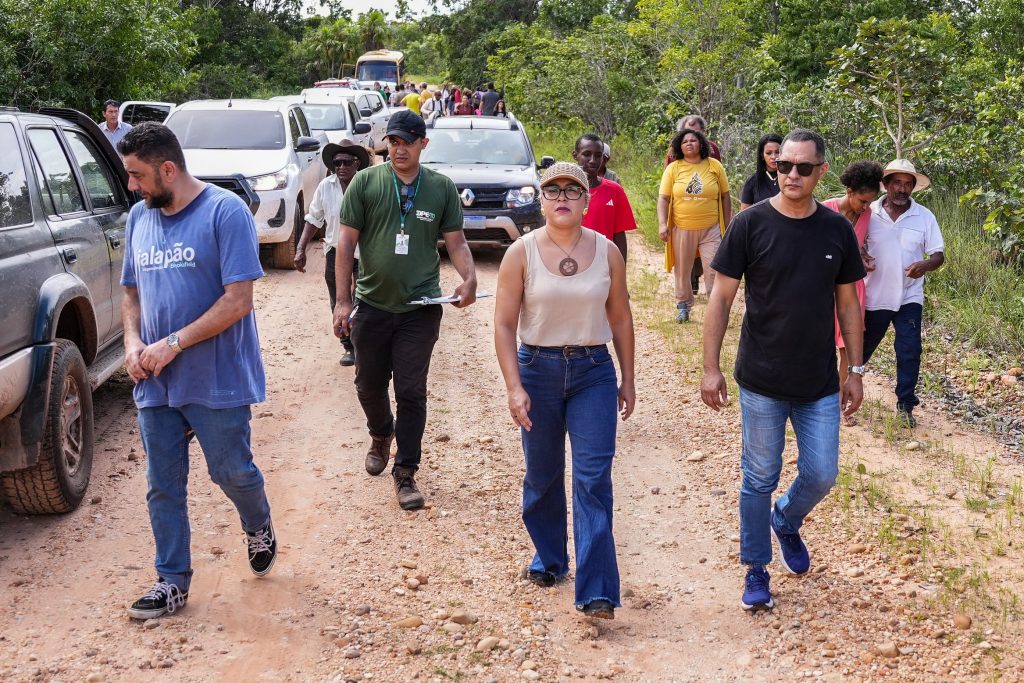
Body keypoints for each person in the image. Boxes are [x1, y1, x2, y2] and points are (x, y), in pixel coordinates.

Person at [701, 129, 865, 612]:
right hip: (762, 378)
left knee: (822, 473)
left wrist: (855, 370)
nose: (791, 174)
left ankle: (786, 519)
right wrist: (710, 367)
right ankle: (756, 567)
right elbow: (721, 298)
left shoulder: (836, 230)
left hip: (818, 381)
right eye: (783, 165)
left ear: (821, 172)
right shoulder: (750, 224)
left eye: (803, 168)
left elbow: (849, 306)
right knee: (759, 476)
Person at [117, 123, 276, 620]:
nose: (132, 186)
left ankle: (258, 521)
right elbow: (131, 292)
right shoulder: (139, 218)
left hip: (216, 376)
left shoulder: (224, 212)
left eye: (138, 176)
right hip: (155, 379)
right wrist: (132, 342)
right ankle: (171, 581)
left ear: (168, 169)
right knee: (162, 483)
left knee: (231, 471)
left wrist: (173, 343)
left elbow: (239, 300)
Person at [493, 161, 635, 621]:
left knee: (593, 478)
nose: (561, 198)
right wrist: (514, 386)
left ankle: (597, 591)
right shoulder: (521, 252)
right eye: (552, 190)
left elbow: (620, 317)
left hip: (593, 371)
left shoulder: (607, 251)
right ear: (541, 200)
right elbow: (504, 324)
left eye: (572, 190)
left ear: (586, 200)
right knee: (542, 475)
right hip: (538, 370)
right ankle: (550, 557)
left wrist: (628, 377)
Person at [332, 110, 478, 510]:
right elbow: (345, 243)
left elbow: (456, 242)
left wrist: (469, 278)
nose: (399, 150)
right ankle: (382, 433)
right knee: (368, 384)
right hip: (372, 304)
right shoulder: (365, 182)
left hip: (420, 307)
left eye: (407, 142)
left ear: (422, 144)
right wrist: (343, 300)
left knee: (411, 391)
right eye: (393, 142)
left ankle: (406, 472)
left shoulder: (440, 188)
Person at [863, 160, 945, 428]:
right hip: (875, 295)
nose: (902, 189)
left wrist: (925, 265)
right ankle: (841, 390)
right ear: (885, 184)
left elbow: (938, 255)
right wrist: (860, 255)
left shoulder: (924, 216)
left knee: (909, 350)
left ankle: (905, 405)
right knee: (861, 348)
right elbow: (852, 242)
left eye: (908, 184)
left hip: (909, 296)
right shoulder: (869, 212)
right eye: (897, 183)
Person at [294, 140, 371, 367]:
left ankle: (362, 345)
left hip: (365, 252)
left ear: (357, 163)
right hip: (335, 252)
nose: (341, 167)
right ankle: (348, 345)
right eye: (337, 163)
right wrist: (300, 248)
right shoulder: (325, 186)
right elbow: (314, 219)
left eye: (346, 162)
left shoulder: (368, 186)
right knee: (339, 299)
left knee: (363, 299)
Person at [823, 160, 884, 425]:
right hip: (825, 285)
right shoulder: (825, 210)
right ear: (849, 191)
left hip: (853, 286)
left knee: (847, 346)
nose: (865, 207)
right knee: (823, 343)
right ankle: (820, 400)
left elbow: (854, 245)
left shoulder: (867, 216)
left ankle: (839, 404)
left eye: (869, 202)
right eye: (862, 201)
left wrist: (862, 256)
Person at [657, 128, 731, 322]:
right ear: (679, 147)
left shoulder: (714, 165)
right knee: (682, 270)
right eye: (685, 141)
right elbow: (664, 198)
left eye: (693, 140)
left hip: (711, 229)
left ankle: (716, 309)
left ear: (701, 144)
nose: (689, 143)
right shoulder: (673, 168)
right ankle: (683, 306)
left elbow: (725, 196)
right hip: (682, 228)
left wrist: (728, 225)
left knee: (714, 269)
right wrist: (662, 224)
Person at [572, 133, 636, 262]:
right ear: (575, 155)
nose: (592, 160)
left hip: (603, 262)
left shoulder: (615, 190)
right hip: (570, 261)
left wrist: (621, 269)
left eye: (598, 155)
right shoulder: (563, 191)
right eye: (587, 154)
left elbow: (619, 235)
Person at [739, 134, 783, 210]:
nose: (774, 157)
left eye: (777, 152)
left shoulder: (791, 178)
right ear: (762, 156)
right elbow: (744, 213)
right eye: (768, 153)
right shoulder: (752, 182)